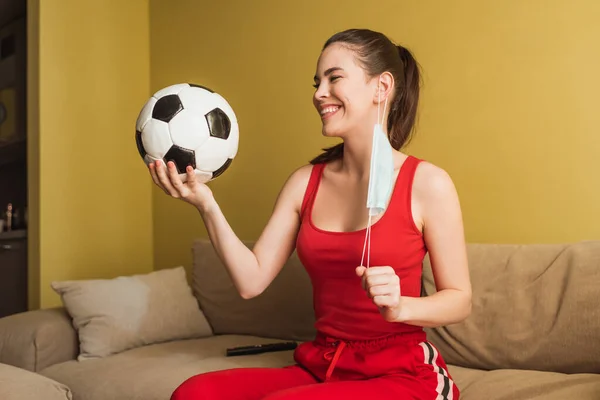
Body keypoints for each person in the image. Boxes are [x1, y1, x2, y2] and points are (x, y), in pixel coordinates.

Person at [150, 28, 471, 400]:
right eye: (318, 82)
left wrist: (401, 307)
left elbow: (459, 299)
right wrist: (206, 204)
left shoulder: (428, 184)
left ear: (381, 88)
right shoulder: (305, 182)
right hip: (324, 367)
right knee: (194, 394)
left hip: (404, 374)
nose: (319, 93)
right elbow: (250, 281)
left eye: (335, 78)